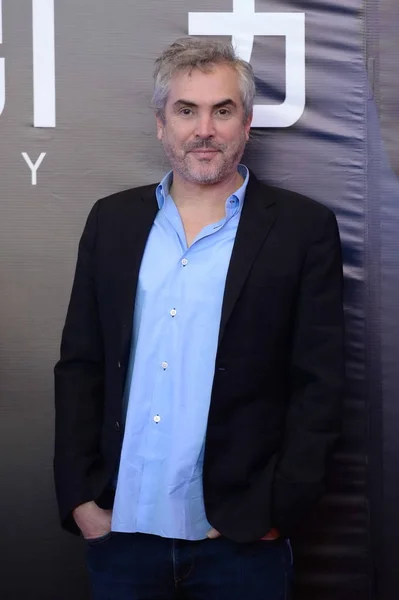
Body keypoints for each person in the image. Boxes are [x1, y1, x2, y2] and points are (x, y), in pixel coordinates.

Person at [54, 37, 345, 600]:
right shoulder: (111, 221)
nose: (204, 128)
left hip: (240, 542)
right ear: (162, 124)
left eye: (222, 109)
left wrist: (278, 511)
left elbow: (321, 385)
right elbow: (80, 366)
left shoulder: (303, 229)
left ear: (248, 123)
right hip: (122, 533)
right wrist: (80, 501)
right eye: (186, 110)